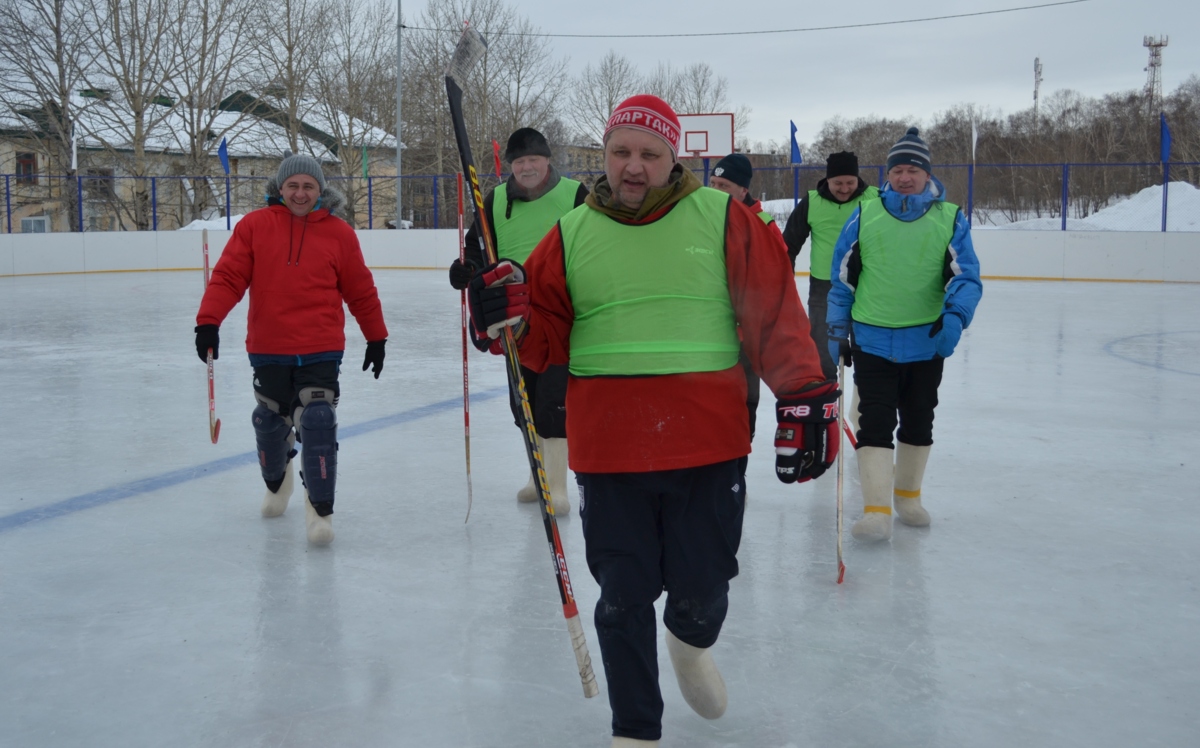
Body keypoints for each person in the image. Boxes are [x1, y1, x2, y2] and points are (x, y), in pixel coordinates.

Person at [467, 95, 838, 747]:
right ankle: (634, 730)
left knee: (702, 586)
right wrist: (510, 315)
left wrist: (804, 391)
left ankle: (690, 644)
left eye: (649, 154)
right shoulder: (573, 232)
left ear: (675, 158)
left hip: (708, 443)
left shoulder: (723, 217)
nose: (633, 167)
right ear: (604, 156)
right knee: (622, 598)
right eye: (620, 152)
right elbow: (544, 337)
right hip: (609, 451)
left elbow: (773, 312)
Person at [194, 152, 388, 546]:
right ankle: (276, 481)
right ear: (280, 188)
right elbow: (229, 277)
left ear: (321, 190)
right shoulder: (254, 227)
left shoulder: (339, 233)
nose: (300, 194)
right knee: (270, 422)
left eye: (309, 186)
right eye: (293, 185)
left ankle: (320, 512)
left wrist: (376, 336)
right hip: (269, 346)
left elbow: (360, 289)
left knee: (317, 421)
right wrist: (208, 322)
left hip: (321, 347)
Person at [827, 128, 982, 542]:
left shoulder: (949, 217)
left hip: (926, 341)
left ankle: (908, 497)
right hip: (872, 339)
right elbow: (841, 277)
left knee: (918, 419)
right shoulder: (866, 212)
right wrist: (837, 327)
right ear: (888, 174)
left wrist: (955, 318)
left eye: (912, 169)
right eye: (897, 169)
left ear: (926, 173)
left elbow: (967, 278)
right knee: (874, 420)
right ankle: (876, 510)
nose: (904, 177)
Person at [448, 127, 588, 515]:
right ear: (511, 166)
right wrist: (465, 269)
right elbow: (477, 247)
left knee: (553, 403)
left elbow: (596, 241)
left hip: (562, 312)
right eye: (519, 162)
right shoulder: (493, 199)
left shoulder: (575, 195)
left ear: (547, 161)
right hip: (514, 313)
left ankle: (557, 487)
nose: (526, 168)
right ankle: (536, 477)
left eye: (533, 160)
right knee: (522, 400)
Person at [707, 152, 789, 441]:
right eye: (713, 183)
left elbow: (778, 282)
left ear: (743, 190)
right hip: (706, 332)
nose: (715, 191)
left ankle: (735, 477)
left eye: (723, 186)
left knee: (741, 408)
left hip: (743, 336)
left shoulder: (762, 226)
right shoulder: (705, 219)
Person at [782, 151, 878, 382]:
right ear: (827, 180)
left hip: (868, 286)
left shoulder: (875, 198)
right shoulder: (812, 201)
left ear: (858, 179)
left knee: (867, 348)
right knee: (822, 351)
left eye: (850, 182)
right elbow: (789, 245)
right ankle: (825, 401)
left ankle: (865, 399)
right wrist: (783, 282)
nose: (844, 188)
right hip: (824, 287)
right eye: (838, 183)